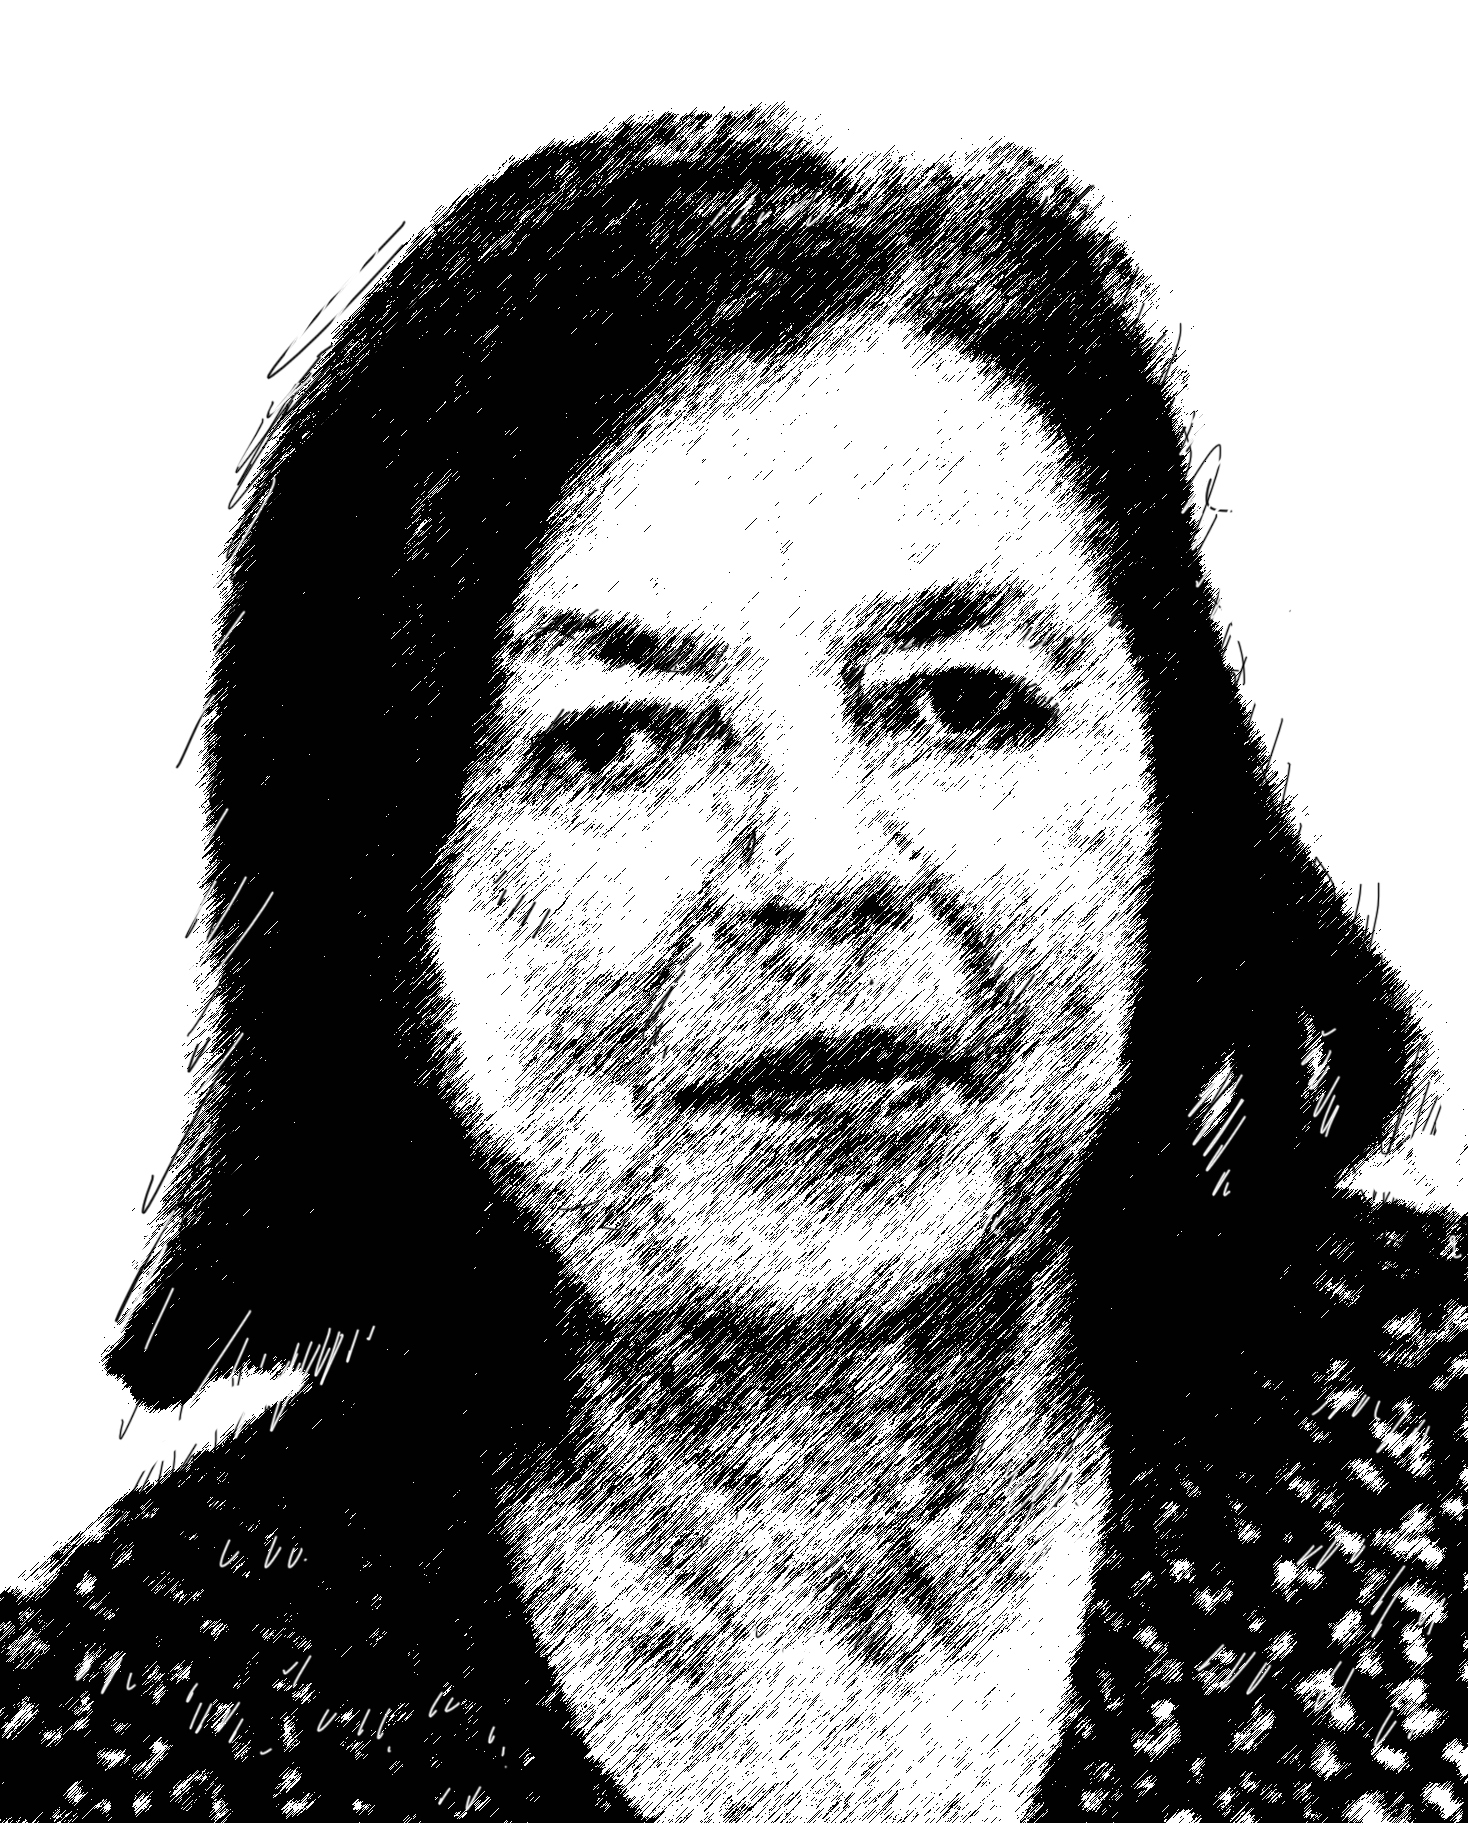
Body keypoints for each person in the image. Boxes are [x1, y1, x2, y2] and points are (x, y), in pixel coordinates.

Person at [2, 107, 1461, 1822]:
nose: (820, 869)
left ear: (1173, 800)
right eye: (618, 740)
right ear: (372, 899)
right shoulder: (109, 1739)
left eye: (961, 701)